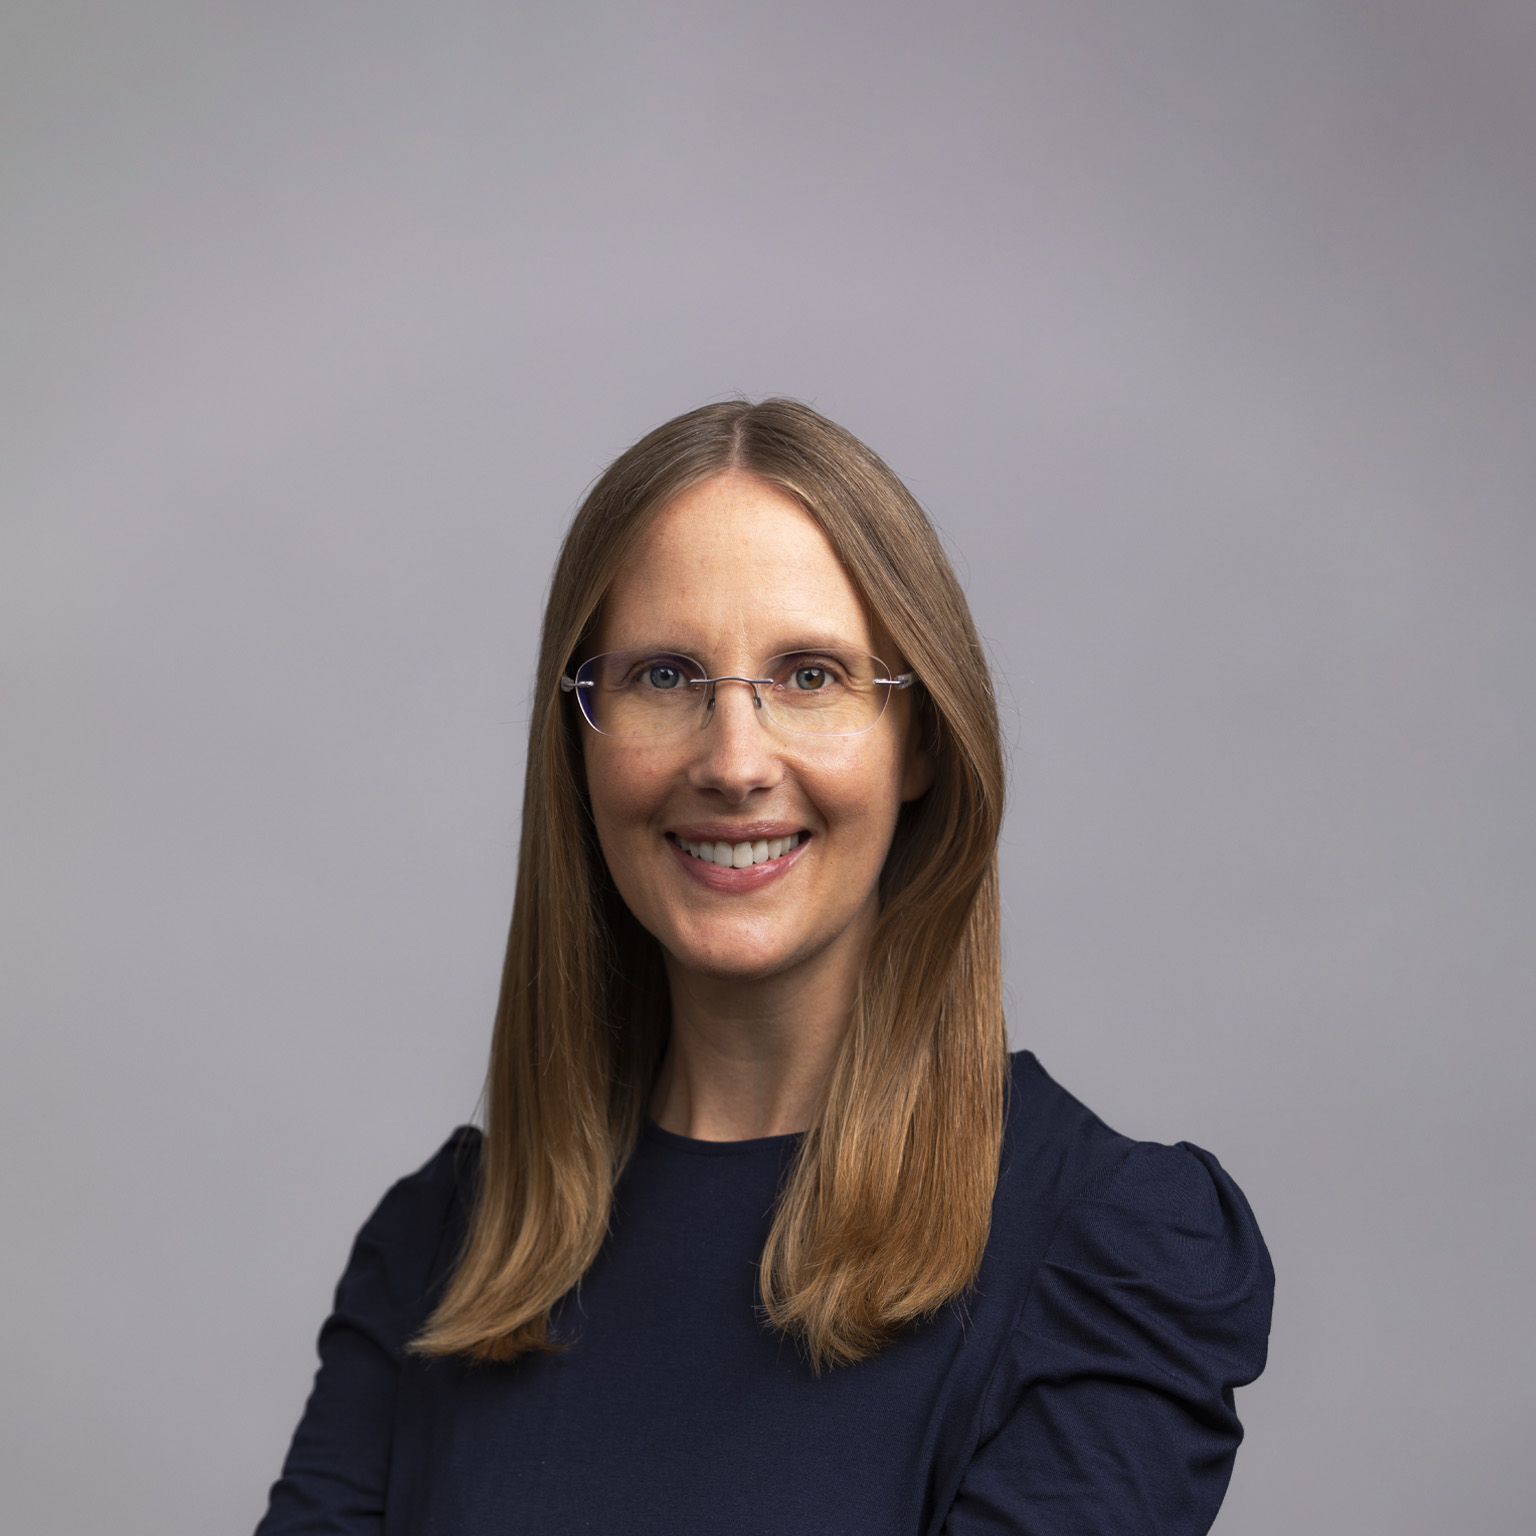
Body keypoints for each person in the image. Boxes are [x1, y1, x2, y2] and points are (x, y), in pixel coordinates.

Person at [255, 398, 1274, 1535]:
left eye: (811, 676)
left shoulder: (1112, 1258)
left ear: (923, 741)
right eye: (663, 677)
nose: (734, 762)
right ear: (581, 743)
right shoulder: (438, 1252)